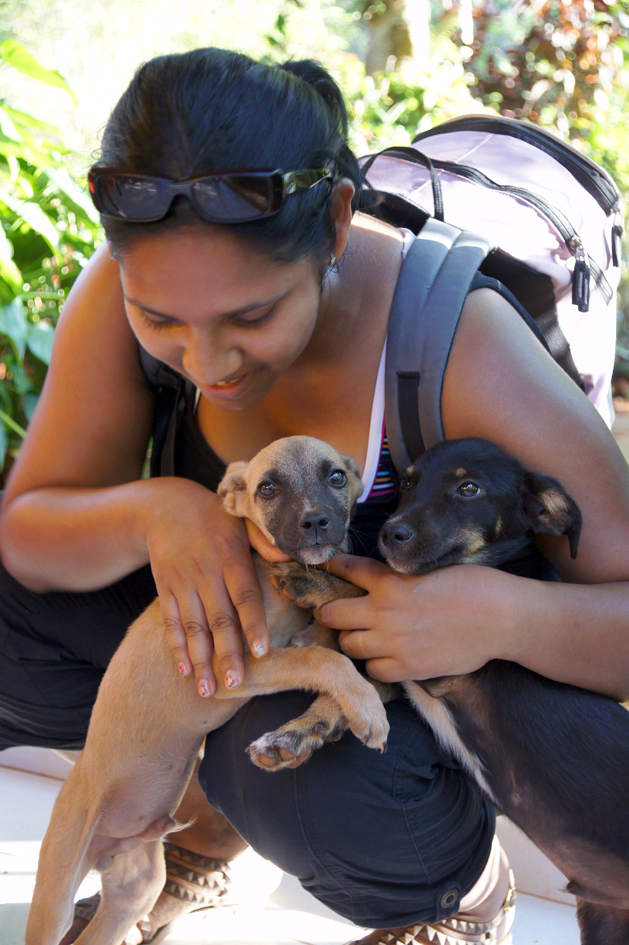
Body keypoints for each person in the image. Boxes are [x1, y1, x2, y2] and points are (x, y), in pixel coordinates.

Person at [1, 47, 628, 945]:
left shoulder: (467, 350)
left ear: (336, 225)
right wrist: (160, 511)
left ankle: (459, 895)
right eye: (161, 321)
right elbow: (25, 532)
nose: (207, 362)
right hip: (245, 637)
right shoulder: (134, 285)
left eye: (251, 316)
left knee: (310, 791)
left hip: (392, 678)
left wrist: (503, 616)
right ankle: (197, 827)